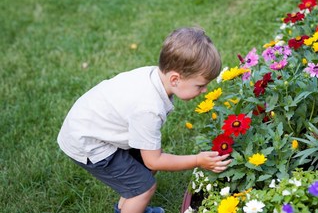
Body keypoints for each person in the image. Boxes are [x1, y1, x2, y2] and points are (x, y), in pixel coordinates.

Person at [57, 27, 232, 213]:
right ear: (175, 79)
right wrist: (197, 160)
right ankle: (134, 203)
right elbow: (154, 161)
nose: (204, 90)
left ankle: (126, 208)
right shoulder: (149, 108)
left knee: (141, 170)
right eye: (200, 85)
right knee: (143, 189)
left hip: (92, 125)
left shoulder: (154, 77)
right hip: (87, 141)